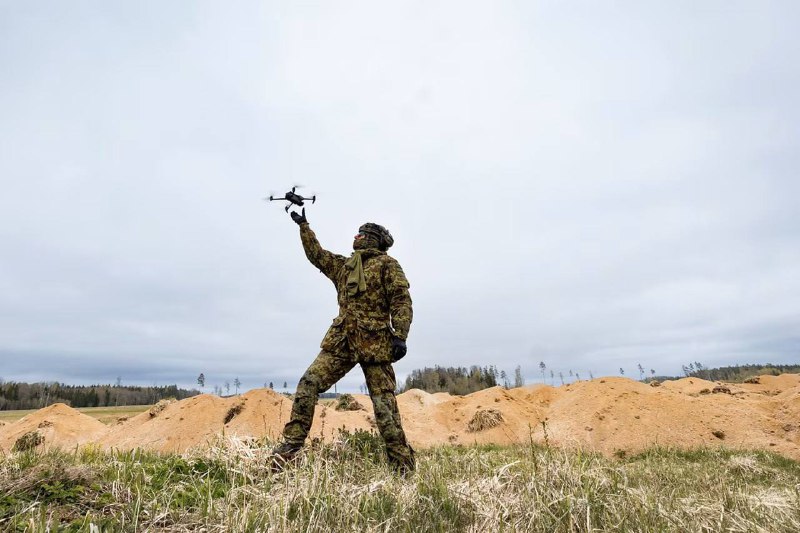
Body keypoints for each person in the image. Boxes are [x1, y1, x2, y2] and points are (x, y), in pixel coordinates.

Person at [270, 208, 416, 473]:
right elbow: (317, 255)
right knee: (309, 383)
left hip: (375, 344)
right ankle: (290, 450)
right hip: (342, 341)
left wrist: (400, 335)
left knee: (384, 406)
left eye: (362, 233)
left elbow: (401, 300)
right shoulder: (345, 266)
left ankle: (402, 467)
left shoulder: (387, 265)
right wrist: (304, 226)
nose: (356, 236)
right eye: (357, 233)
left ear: (373, 239)